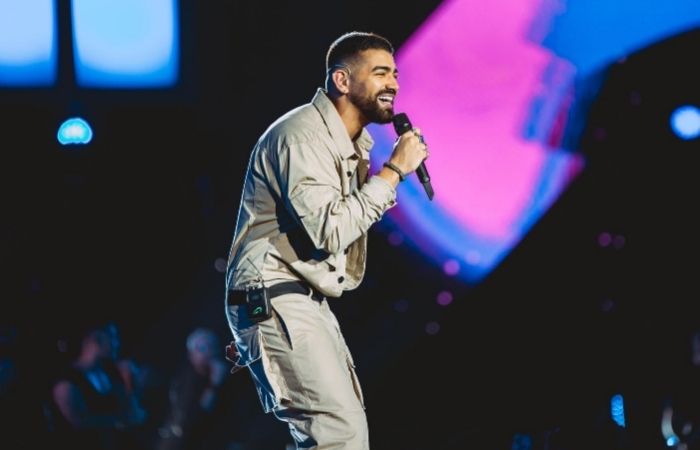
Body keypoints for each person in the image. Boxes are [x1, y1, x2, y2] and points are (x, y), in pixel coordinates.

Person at [223, 31, 428, 449]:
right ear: (342, 81)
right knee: (339, 435)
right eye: (380, 73)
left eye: (395, 74)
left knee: (337, 433)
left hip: (300, 298)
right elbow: (330, 230)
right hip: (274, 295)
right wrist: (392, 173)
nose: (393, 84)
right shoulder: (301, 136)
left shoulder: (348, 144)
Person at [47, 320, 149, 450]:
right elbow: (80, 424)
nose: (117, 343)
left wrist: (129, 381)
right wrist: (120, 419)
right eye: (113, 336)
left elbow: (131, 411)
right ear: (97, 339)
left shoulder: (109, 371)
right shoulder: (66, 383)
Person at [155, 327, 231, 450]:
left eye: (212, 347)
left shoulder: (222, 378)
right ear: (191, 354)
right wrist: (214, 384)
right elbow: (194, 417)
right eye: (202, 348)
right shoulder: (186, 380)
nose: (209, 352)